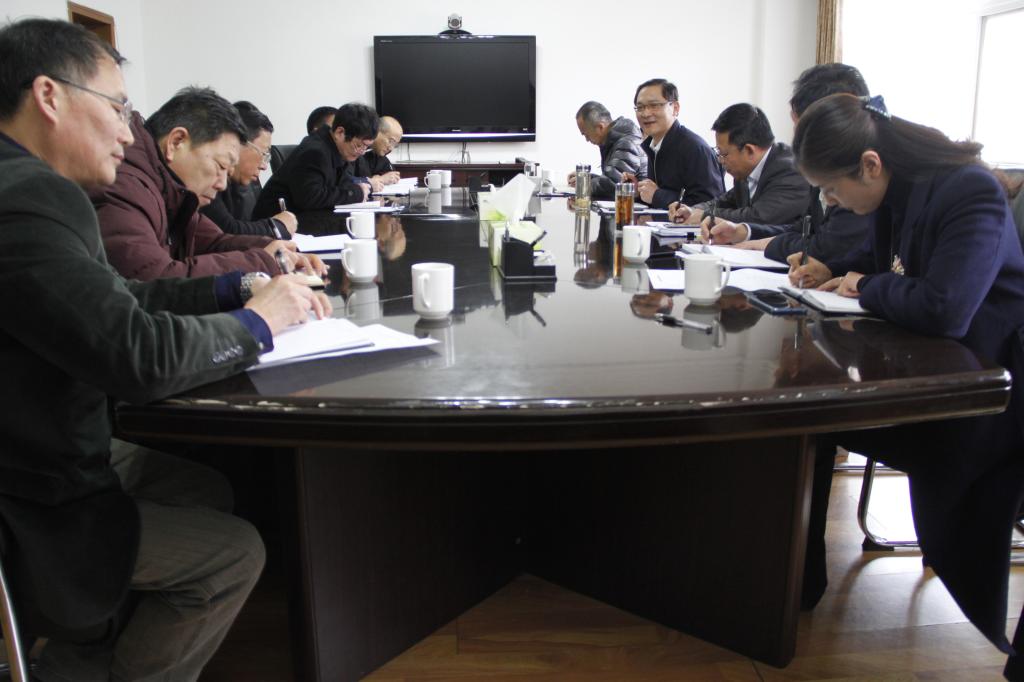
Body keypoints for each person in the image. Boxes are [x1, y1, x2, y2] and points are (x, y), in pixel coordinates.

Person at [0, 18, 331, 681]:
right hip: (34, 486)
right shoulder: (32, 198)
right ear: (49, 96)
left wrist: (237, 286)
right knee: (236, 554)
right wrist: (257, 325)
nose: (129, 132)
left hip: (40, 443)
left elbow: (123, 294)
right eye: (116, 108)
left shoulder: (34, 186)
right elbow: (138, 357)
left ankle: (86, 647)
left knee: (203, 484)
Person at [787, 92, 1024, 663]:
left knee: (818, 416)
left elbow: (946, 307)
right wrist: (836, 270)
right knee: (807, 418)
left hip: (992, 390)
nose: (831, 201)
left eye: (832, 189)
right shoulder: (900, 193)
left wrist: (867, 286)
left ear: (870, 164)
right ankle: (794, 583)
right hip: (937, 366)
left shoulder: (969, 190)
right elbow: (891, 268)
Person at [92, 87, 324, 280]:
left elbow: (212, 240)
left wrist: (272, 248)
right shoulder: (126, 186)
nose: (222, 184)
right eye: (220, 166)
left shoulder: (170, 188)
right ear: (176, 142)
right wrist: (262, 261)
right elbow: (155, 279)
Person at [718, 64, 875, 265]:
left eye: (802, 129)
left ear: (840, 118)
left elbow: (828, 247)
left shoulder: (860, 172)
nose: (797, 140)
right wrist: (745, 232)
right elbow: (805, 229)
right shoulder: (825, 165)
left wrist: (768, 245)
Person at [669, 103, 809, 238]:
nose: (720, 161)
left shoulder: (791, 170)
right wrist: (692, 210)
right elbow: (723, 201)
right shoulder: (745, 172)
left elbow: (758, 217)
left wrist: (705, 216)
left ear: (749, 150)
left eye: (724, 154)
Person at [253, 102, 378, 218]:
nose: (362, 152)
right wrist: (355, 193)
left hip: (302, 219)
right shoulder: (316, 151)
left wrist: (360, 189)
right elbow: (310, 197)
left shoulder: (338, 150)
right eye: (359, 145)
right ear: (340, 132)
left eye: (366, 147)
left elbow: (341, 185)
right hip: (274, 223)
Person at [201, 100, 297, 238]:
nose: (264, 166)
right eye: (263, 153)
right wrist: (276, 226)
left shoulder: (246, 180)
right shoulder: (206, 175)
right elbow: (226, 232)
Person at [622, 78, 723, 209]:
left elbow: (710, 205)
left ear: (675, 108)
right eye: (640, 107)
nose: (645, 113)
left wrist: (657, 195)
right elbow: (659, 198)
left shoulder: (695, 149)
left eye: (654, 105)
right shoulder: (654, 146)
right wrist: (639, 192)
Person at [567, 100, 647, 199]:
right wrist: (588, 177)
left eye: (586, 134)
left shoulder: (626, 143)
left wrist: (583, 184)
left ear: (600, 127)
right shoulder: (616, 140)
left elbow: (613, 185)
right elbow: (612, 178)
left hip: (633, 207)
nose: (587, 139)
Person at [354, 114, 402, 186]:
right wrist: (379, 180)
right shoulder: (353, 151)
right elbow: (345, 181)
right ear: (377, 131)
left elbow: (393, 175)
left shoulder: (379, 155)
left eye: (395, 145)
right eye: (391, 141)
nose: (391, 148)